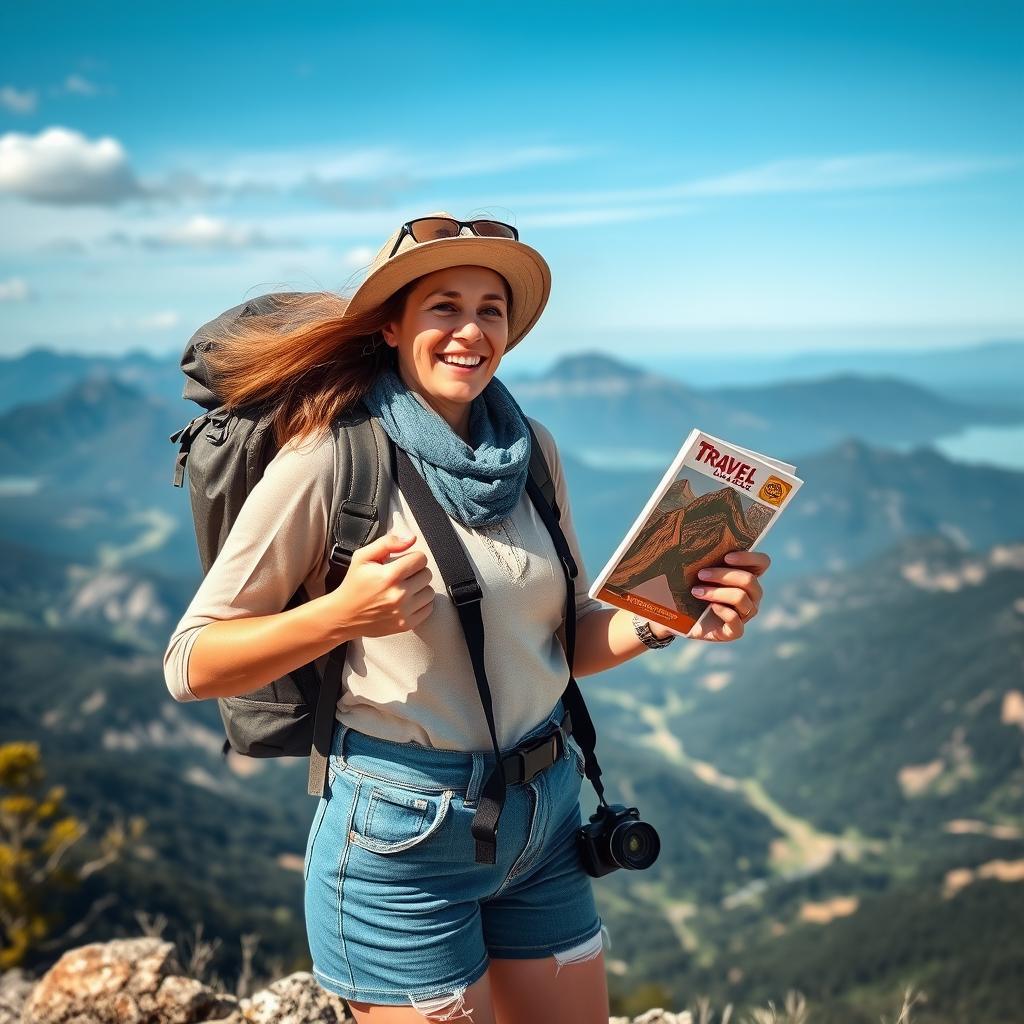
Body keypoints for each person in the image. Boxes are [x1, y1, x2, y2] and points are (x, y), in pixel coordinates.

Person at [163, 212, 770, 1023]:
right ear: (391, 325)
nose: (472, 330)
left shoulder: (529, 450)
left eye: (491, 309)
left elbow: (560, 645)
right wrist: (341, 615)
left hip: (545, 815)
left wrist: (671, 616)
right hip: (401, 835)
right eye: (443, 306)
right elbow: (191, 663)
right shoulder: (331, 457)